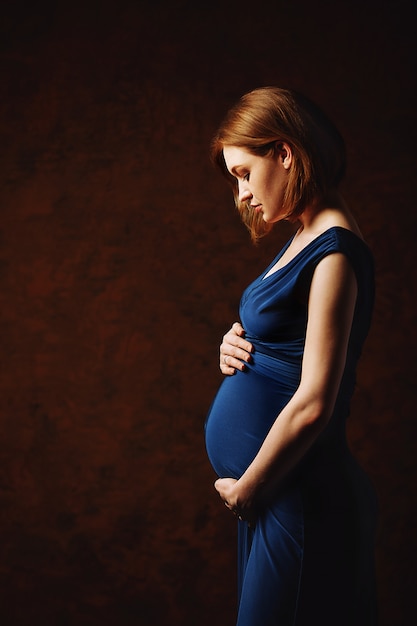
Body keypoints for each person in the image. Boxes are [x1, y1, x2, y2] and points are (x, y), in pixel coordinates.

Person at [204, 86, 378, 625]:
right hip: (272, 492)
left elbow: (314, 401)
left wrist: (249, 490)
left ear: (285, 153)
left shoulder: (336, 252)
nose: (241, 195)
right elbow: (288, 341)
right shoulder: (303, 235)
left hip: (293, 495)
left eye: (244, 173)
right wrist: (239, 347)